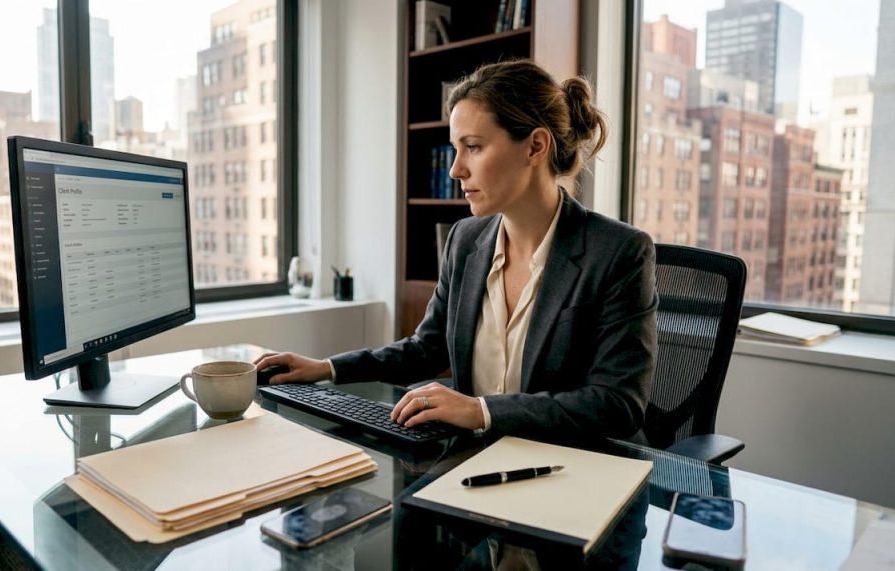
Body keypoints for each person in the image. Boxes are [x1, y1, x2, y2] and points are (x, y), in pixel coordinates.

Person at [255, 59, 657, 444]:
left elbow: (616, 404)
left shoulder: (618, 252)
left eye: (474, 147)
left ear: (535, 147)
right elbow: (426, 349)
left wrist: (480, 411)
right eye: (455, 149)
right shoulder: (466, 240)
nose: (455, 170)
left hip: (580, 471)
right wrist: (327, 368)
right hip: (478, 460)